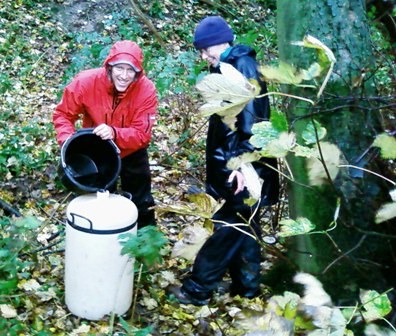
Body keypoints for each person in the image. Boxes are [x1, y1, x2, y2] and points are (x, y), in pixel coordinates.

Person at [169, 16, 279, 305]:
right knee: (245, 227)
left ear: (222, 42)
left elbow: (253, 120)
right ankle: (247, 289)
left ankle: (197, 289)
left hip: (243, 169)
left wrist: (241, 162)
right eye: (201, 51)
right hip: (239, 165)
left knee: (228, 226)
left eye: (206, 49)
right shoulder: (231, 66)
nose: (203, 56)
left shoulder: (241, 66)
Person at [53, 40, 157, 228]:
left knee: (141, 202)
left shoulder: (146, 90)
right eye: (119, 68)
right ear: (109, 67)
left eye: (130, 70)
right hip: (96, 151)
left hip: (131, 150)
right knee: (96, 202)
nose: (124, 76)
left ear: (138, 73)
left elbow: (143, 134)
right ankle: (98, 241)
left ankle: (145, 246)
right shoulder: (86, 82)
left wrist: (115, 133)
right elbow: (63, 114)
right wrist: (68, 140)